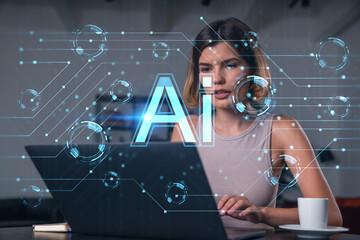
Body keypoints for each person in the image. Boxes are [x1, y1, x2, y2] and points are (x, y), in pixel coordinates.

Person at [171, 17, 342, 228]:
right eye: (206, 69)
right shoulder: (185, 129)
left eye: (230, 65)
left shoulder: (281, 130)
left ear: (252, 70)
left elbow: (332, 216)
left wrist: (261, 213)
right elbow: (174, 207)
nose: (217, 79)